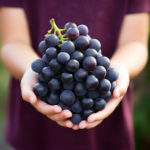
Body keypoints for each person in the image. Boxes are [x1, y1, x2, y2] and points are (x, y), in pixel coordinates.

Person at [0, 0, 149, 149]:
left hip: (107, 117)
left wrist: (121, 68)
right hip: (34, 125)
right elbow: (12, 43)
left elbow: (135, 43)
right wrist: (34, 71)